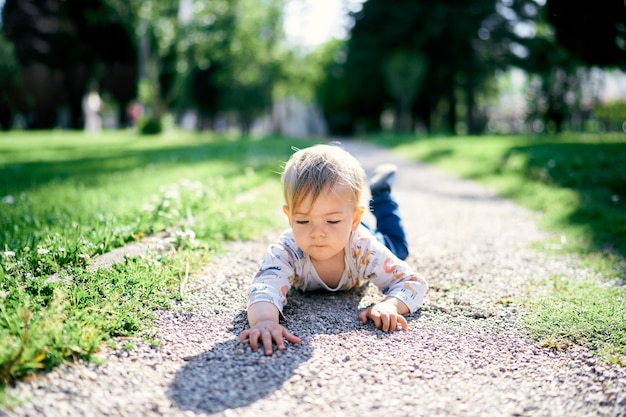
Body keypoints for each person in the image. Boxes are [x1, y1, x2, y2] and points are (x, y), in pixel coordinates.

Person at [239, 143, 427, 356]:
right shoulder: (288, 250)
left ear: (355, 218)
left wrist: (391, 305)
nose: (317, 233)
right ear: (289, 217)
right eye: (302, 221)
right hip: (345, 231)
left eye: (331, 220)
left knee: (397, 248)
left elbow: (412, 283)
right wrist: (264, 320)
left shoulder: (364, 248)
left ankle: (381, 195)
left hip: (356, 237)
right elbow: (265, 286)